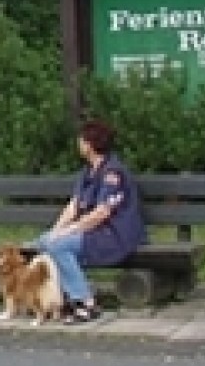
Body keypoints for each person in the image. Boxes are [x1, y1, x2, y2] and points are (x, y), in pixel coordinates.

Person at [33, 119, 145, 324]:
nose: (79, 143)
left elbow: (102, 213)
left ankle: (86, 303)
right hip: (93, 232)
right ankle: (64, 298)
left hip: (114, 235)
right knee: (44, 242)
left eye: (82, 140)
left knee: (58, 246)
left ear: (91, 144)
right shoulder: (88, 171)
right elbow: (73, 206)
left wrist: (70, 231)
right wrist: (56, 230)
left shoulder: (112, 172)